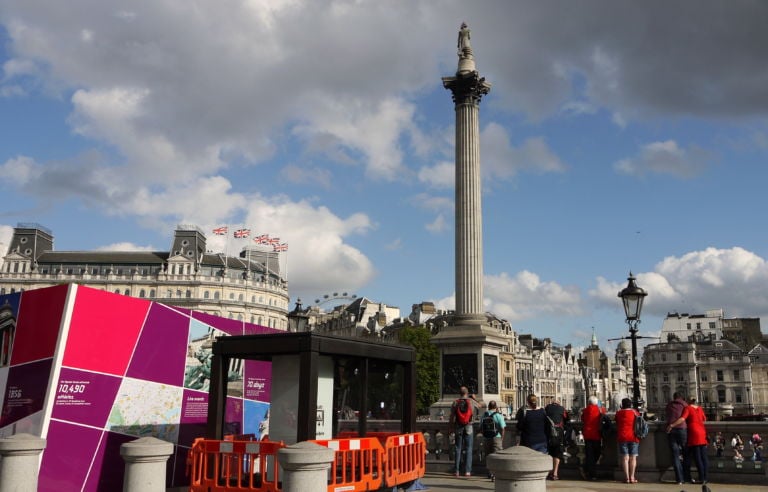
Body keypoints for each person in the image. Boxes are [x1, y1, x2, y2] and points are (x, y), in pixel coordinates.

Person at [668, 396, 708, 485]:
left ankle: (701, 478)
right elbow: (704, 419)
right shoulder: (700, 408)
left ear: (689, 401)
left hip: (694, 432)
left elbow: (682, 418)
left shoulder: (688, 408)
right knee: (704, 457)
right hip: (702, 431)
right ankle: (705, 477)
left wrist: (672, 425)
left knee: (697, 457)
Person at [450, 386, 478, 477]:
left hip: (458, 426)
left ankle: (457, 471)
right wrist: (475, 398)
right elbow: (481, 406)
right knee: (469, 448)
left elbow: (451, 416)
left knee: (458, 448)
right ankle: (467, 471)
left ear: (460, 393)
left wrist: (450, 427)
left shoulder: (455, 402)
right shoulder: (471, 401)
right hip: (469, 426)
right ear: (467, 393)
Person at [664, 392, 690, 484]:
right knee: (686, 453)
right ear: (682, 398)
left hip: (671, 431)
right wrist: (673, 425)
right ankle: (687, 477)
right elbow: (683, 418)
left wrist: (670, 425)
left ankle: (679, 479)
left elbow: (667, 416)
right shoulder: (685, 405)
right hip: (681, 429)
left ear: (674, 397)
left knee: (675, 456)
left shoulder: (669, 405)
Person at [616, 398, 640, 484]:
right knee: (633, 458)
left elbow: (617, 422)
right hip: (633, 437)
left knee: (625, 458)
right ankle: (632, 477)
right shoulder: (635, 412)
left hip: (622, 437)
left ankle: (626, 478)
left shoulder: (618, 413)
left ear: (622, 405)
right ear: (631, 405)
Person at [580, 395, 604, 481]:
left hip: (587, 435)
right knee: (597, 453)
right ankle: (591, 473)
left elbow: (582, 419)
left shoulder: (585, 410)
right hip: (596, 435)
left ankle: (588, 470)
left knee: (590, 455)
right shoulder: (600, 410)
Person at [482, 400, 506, 481]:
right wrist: (501, 438)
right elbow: (503, 428)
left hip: (486, 437)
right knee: (497, 456)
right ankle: (495, 474)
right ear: (496, 407)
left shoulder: (484, 415)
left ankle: (490, 473)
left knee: (488, 456)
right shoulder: (498, 415)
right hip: (496, 437)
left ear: (488, 406)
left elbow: (480, 427)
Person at [544, 398, 567, 480]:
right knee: (557, 454)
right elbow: (566, 419)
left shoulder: (547, 408)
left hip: (548, 433)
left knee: (549, 453)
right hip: (559, 434)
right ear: (558, 404)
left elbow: (544, 419)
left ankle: (549, 472)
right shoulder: (562, 409)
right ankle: (555, 473)